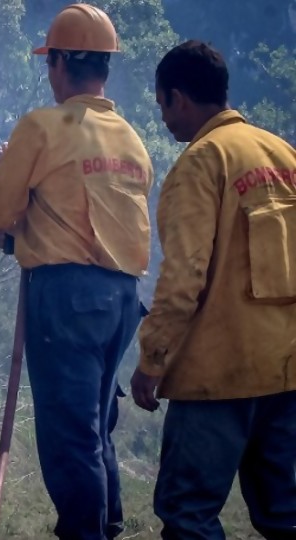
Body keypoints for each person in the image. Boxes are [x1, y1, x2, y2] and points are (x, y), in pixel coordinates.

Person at [0, 4, 153, 539]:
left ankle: (85, 533)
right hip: (122, 299)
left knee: (69, 437)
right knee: (95, 429)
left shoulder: (42, 126)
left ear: (58, 64)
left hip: (67, 298)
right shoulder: (130, 138)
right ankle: (107, 525)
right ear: (104, 67)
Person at [130, 39, 296, 539]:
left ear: (178, 98)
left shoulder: (199, 164)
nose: (163, 119)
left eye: (162, 105)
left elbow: (183, 282)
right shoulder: (283, 155)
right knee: (284, 515)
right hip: (286, 372)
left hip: (217, 377)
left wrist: (151, 361)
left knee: (187, 514)